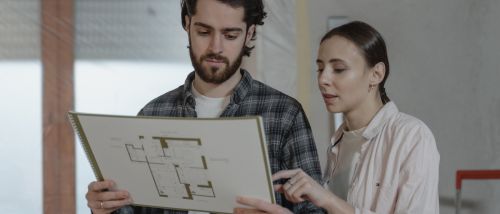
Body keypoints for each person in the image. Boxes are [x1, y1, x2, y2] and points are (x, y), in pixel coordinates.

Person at [84, 0, 324, 214]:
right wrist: (105, 207)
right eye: (203, 31)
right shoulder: (154, 113)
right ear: (187, 25)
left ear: (250, 33)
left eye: (230, 35)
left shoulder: (284, 114)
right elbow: (132, 207)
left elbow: (314, 209)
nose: (215, 47)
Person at [235, 21, 440, 214]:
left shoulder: (412, 136)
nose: (323, 80)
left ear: (376, 74)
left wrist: (328, 200)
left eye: (339, 69)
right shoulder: (339, 142)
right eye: (320, 68)